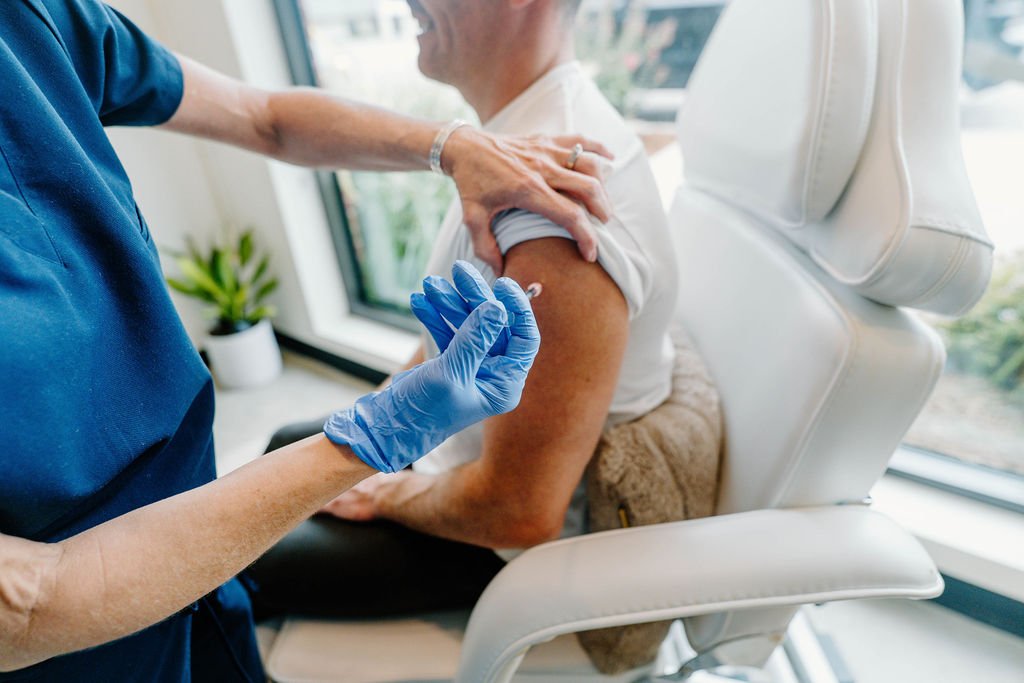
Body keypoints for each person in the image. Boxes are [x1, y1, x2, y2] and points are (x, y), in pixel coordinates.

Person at [0, 0, 614, 679]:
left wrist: (449, 145)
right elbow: (32, 602)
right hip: (68, 635)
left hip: (180, 514)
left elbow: (262, 115)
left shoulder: (31, 23)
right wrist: (371, 446)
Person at [245, 0, 681, 621]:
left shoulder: (552, 213)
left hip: (505, 550)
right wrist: (380, 416)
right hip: (462, 459)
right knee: (283, 447)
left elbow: (520, 511)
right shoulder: (515, 144)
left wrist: (388, 494)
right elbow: (449, 343)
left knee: (234, 566)